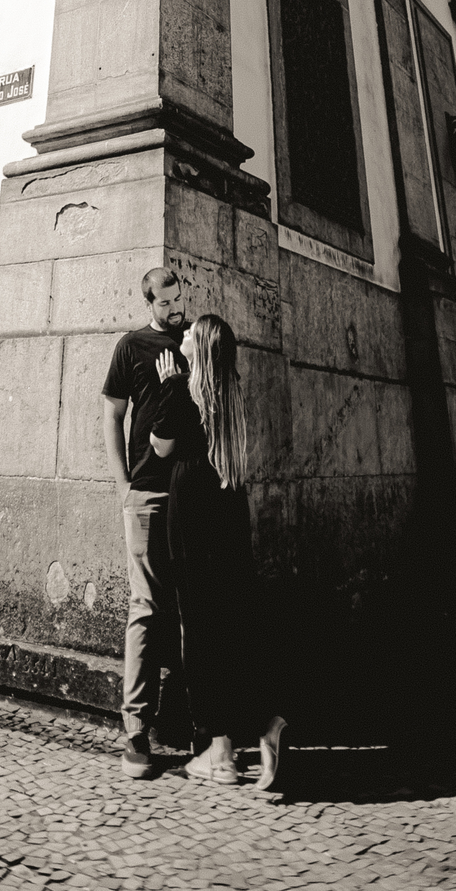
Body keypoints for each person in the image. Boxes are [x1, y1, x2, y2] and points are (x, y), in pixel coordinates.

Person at [150, 313, 288, 789]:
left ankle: (220, 752)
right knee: (232, 628)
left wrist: (169, 385)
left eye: (190, 333)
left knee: (201, 633)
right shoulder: (227, 398)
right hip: (228, 517)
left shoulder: (186, 395)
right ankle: (266, 723)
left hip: (193, 523)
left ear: (200, 348)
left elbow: (161, 446)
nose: (182, 333)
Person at [101, 266, 188, 779]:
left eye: (180, 301)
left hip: (192, 492)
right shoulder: (133, 347)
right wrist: (121, 484)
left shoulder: (196, 341)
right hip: (149, 492)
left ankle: (188, 720)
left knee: (188, 604)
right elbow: (111, 413)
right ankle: (135, 727)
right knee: (146, 606)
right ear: (148, 303)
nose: (176, 311)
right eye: (166, 304)